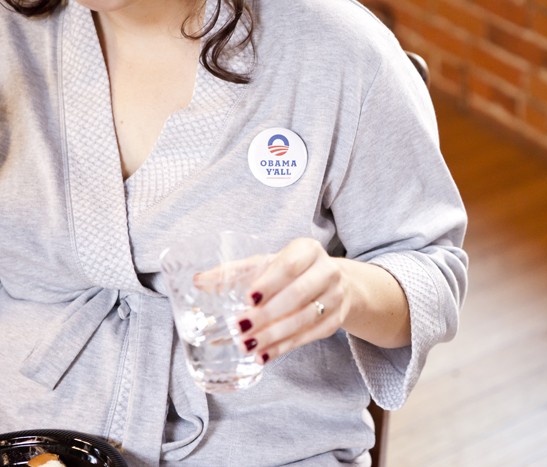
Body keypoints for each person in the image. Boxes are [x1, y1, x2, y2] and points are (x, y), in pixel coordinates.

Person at [0, 0, 468, 465]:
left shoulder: (337, 47)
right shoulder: (12, 30)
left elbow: (431, 274)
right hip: (27, 433)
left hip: (261, 444)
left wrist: (344, 291)